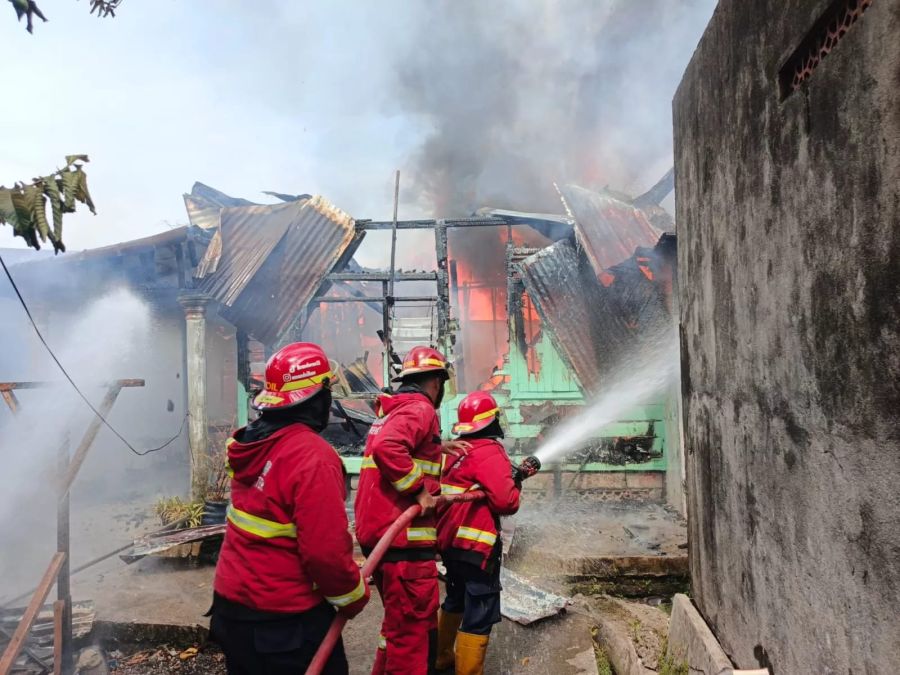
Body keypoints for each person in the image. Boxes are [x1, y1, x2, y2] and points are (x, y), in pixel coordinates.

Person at [209, 342, 370, 675]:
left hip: (231, 612)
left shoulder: (249, 441)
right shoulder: (311, 457)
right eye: (327, 389)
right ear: (316, 396)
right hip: (282, 626)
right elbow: (325, 555)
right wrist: (353, 596)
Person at [354, 346, 461, 675]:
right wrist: (419, 491)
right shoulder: (421, 409)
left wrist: (434, 446)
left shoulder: (394, 409)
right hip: (403, 541)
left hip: (380, 536)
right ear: (435, 383)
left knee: (396, 626)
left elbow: (393, 442)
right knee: (414, 634)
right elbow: (390, 448)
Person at [435, 391, 520, 675]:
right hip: (477, 547)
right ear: (491, 420)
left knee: (456, 599)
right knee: (480, 609)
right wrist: (516, 483)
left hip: (451, 545)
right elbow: (506, 502)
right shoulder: (487, 450)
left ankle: (442, 659)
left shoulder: (457, 451)